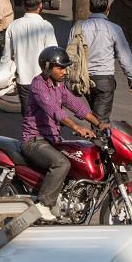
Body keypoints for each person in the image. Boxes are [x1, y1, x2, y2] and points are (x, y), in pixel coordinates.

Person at [22, 46, 109, 220]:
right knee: (61, 163)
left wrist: (100, 125)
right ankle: (43, 204)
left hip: (53, 140)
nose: (64, 71)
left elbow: (77, 106)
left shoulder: (59, 86)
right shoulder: (38, 86)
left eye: (65, 67)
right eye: (60, 68)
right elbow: (55, 112)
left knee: (77, 155)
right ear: (47, 68)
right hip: (34, 140)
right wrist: (77, 127)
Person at [72, 0, 132, 124]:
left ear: (90, 8)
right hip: (104, 81)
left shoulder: (78, 28)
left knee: (96, 117)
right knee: (101, 121)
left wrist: (71, 81)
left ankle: (96, 140)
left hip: (84, 79)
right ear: (108, 7)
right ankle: (98, 143)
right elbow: (124, 56)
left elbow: (72, 54)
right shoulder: (114, 29)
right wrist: (131, 77)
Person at [0, 0, 58, 114]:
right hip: (42, 80)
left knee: (28, 118)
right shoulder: (46, 26)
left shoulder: (13, 26)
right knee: (44, 115)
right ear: (40, 5)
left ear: (23, 5)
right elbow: (53, 56)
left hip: (23, 80)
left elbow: (6, 56)